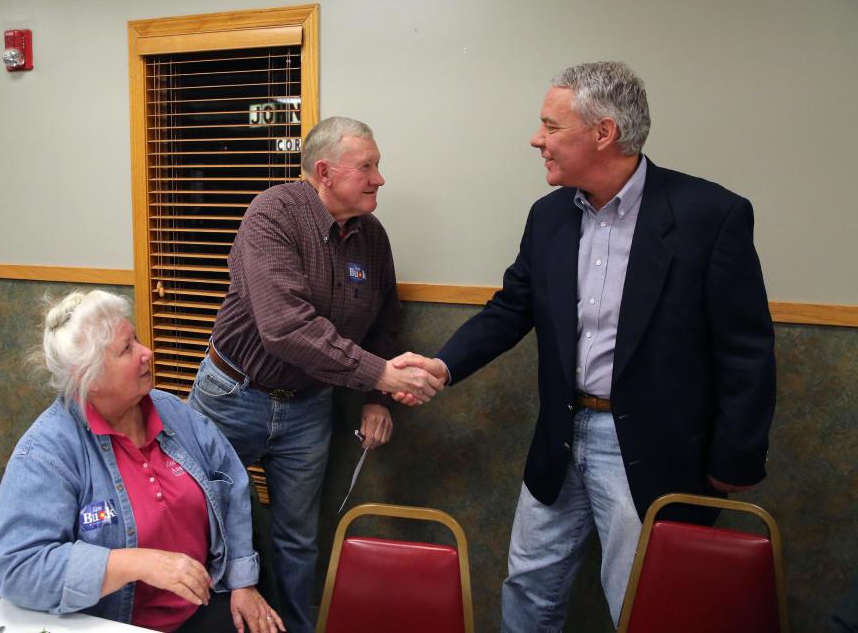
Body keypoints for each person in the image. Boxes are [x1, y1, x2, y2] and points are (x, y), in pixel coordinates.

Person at [395, 61, 776, 631]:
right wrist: (444, 364)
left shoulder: (710, 216)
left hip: (653, 446)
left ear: (604, 133)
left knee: (643, 600)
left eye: (550, 126)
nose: (536, 139)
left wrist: (734, 460)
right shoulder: (548, 216)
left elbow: (745, 349)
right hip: (560, 435)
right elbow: (511, 307)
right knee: (528, 584)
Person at [186, 116, 444, 633]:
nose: (379, 179)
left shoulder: (371, 236)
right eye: (367, 167)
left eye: (378, 166)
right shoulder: (272, 215)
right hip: (233, 395)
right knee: (207, 523)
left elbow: (384, 323)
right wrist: (385, 376)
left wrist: (378, 396)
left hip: (308, 407)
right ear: (325, 171)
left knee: (298, 538)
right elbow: (286, 328)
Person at [0, 290, 284, 633]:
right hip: (116, 622)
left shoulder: (172, 413)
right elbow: (17, 569)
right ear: (89, 378)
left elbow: (231, 485)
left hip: (203, 607)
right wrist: (133, 563)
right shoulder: (46, 454)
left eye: (137, 339)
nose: (147, 353)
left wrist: (242, 583)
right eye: (127, 349)